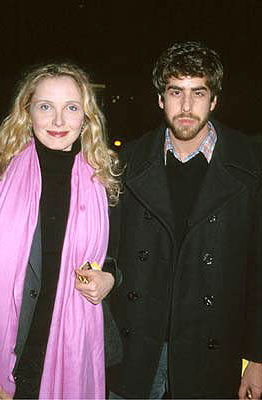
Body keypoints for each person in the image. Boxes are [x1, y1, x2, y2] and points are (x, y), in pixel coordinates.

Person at [106, 41, 262, 399]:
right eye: (176, 92)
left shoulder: (250, 167)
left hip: (211, 349)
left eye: (198, 92)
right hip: (136, 351)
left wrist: (256, 357)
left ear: (215, 99)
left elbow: (258, 271)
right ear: (161, 98)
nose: (187, 107)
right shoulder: (125, 164)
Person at [0, 62, 122, 399]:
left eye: (71, 108)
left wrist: (109, 277)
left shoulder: (101, 180)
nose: (58, 121)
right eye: (45, 107)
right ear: (27, 112)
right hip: (5, 361)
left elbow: (111, 256)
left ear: (86, 116)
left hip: (73, 352)